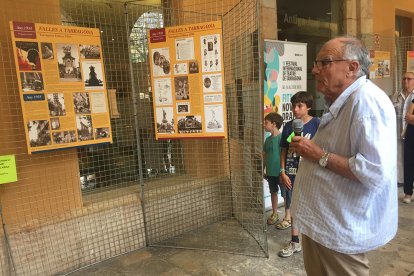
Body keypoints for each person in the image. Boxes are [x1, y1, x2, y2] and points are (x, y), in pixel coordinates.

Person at [290, 36, 397, 275]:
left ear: (352, 68)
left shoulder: (367, 104)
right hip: (323, 225)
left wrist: (318, 154)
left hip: (340, 229)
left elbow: (374, 171)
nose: (315, 69)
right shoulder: (346, 100)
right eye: (317, 63)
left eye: (324, 62)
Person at [277, 91, 320, 258]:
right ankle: (295, 242)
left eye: (299, 106)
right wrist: (283, 171)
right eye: (293, 105)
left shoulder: (317, 124)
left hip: (311, 172)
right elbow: (283, 150)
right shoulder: (289, 126)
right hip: (291, 172)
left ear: (308, 106)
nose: (295, 109)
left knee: (312, 207)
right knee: (293, 207)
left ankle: (314, 244)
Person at [390, 71, 414, 185]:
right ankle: (400, 180)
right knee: (398, 155)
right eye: (404, 78)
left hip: (411, 130)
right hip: (397, 130)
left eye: (409, 79)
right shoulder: (395, 96)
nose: (406, 81)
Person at [262, 112, 284, 225]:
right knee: (273, 192)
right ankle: (275, 213)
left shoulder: (282, 138)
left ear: (274, 124)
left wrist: (283, 171)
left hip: (281, 173)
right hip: (270, 172)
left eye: (266, 123)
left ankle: (288, 216)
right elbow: (265, 155)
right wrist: (263, 169)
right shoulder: (267, 140)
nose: (264, 125)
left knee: (285, 194)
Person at [403, 99, 414, 203]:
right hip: (411, 134)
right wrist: (411, 118)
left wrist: (412, 118)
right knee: (408, 162)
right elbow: (408, 117)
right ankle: (407, 193)